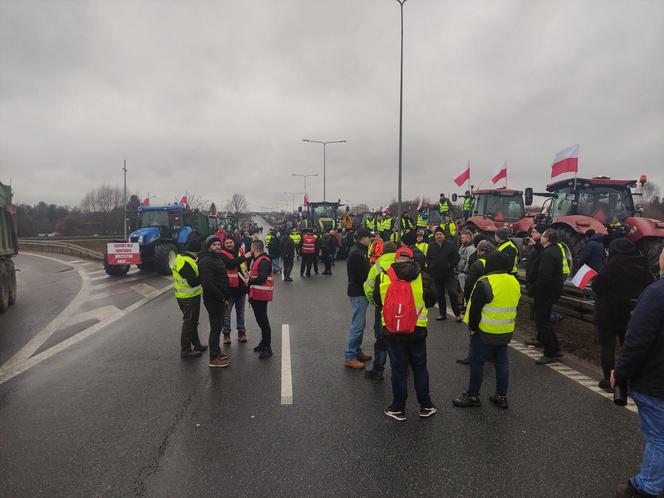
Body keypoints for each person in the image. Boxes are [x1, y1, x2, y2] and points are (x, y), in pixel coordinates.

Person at [612, 247, 664, 498]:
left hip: (656, 380)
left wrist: (620, 374)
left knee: (658, 437)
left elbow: (637, 340)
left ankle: (647, 487)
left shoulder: (657, 294)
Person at [374, 246, 437, 421]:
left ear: (395, 260)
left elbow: (377, 301)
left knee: (398, 370)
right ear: (412, 260)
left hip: (392, 331)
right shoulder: (423, 277)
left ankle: (398, 408)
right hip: (417, 330)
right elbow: (431, 301)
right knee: (420, 368)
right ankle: (426, 406)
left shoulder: (384, 276)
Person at [453, 252, 520, 409]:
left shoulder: (485, 282)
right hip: (505, 331)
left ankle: (473, 395)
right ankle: (501, 396)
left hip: (485, 332)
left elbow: (475, 310)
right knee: (502, 364)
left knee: (477, 363)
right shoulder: (514, 281)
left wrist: (473, 329)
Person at [592, 238, 654, 391]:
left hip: (609, 313)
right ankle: (632, 378)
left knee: (608, 348)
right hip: (633, 314)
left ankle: (610, 380)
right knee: (629, 348)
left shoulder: (614, 263)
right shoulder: (643, 264)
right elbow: (650, 286)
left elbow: (597, 286)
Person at [527, 229, 564, 364]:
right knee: (545, 322)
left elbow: (544, 277)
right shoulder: (553, 250)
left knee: (542, 322)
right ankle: (556, 349)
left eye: (542, 236)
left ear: (547, 238)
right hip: (550, 292)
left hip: (545, 293)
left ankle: (549, 353)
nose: (540, 237)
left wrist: (533, 289)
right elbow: (544, 252)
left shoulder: (548, 255)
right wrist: (536, 245)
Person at [456, 239, 495, 364]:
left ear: (479, 251)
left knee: (474, 329)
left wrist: (466, 300)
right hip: (493, 299)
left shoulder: (478, 264)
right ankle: (489, 354)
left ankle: (473, 356)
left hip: (477, 299)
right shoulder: (495, 262)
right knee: (488, 329)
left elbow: (469, 285)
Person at [363, 241, 397, 380]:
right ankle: (403, 366)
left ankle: (378, 370)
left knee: (381, 338)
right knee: (401, 337)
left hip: (382, 307)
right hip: (401, 306)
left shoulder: (377, 266)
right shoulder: (403, 263)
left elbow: (369, 288)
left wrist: (374, 302)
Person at [198, 235, 232, 368]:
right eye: (214, 245)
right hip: (213, 300)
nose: (217, 247)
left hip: (219, 298)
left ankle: (217, 351)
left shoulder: (216, 258)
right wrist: (222, 297)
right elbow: (208, 284)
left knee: (218, 327)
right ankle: (213, 358)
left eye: (219, 244)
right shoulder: (206, 261)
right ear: (208, 247)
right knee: (215, 329)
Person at [171, 236, 206, 359]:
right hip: (187, 297)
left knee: (193, 322)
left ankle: (196, 345)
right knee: (189, 323)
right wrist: (204, 273)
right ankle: (185, 350)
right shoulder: (185, 262)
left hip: (190, 295)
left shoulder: (183, 258)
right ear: (196, 251)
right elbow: (193, 282)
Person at [344, 228, 373, 369]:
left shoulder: (360, 251)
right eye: (368, 237)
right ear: (362, 238)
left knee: (360, 324)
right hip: (358, 292)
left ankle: (356, 351)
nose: (370, 240)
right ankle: (350, 356)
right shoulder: (357, 253)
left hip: (360, 291)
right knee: (357, 324)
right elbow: (358, 276)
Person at [243, 239, 274, 359]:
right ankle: (263, 343)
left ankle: (267, 347)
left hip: (261, 295)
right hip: (256, 295)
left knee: (263, 322)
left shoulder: (263, 260)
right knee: (261, 321)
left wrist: (249, 280)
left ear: (254, 249)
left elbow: (262, 277)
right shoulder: (257, 259)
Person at [426, 227, 462, 322]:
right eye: (437, 234)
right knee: (439, 295)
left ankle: (457, 314)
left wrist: (450, 265)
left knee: (453, 293)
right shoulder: (431, 246)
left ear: (443, 235)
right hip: (436, 275)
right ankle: (442, 314)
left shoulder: (450, 245)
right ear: (435, 236)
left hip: (448, 274)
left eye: (440, 234)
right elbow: (428, 258)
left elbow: (457, 257)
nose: (438, 236)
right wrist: (431, 267)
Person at [219, 237, 249, 344]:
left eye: (230, 242)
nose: (229, 244)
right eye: (226, 243)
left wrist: (247, 278)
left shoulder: (240, 251)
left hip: (241, 288)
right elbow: (230, 264)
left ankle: (241, 332)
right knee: (226, 314)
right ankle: (226, 334)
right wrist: (245, 256)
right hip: (228, 290)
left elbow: (245, 266)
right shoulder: (221, 254)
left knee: (240, 313)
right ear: (224, 244)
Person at [457, 230, 476, 305]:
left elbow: (469, 260)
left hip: (465, 273)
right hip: (460, 271)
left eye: (463, 238)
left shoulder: (471, 248)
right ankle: (463, 302)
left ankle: (466, 304)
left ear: (469, 238)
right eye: (461, 237)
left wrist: (465, 271)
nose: (462, 239)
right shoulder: (462, 246)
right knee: (462, 289)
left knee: (465, 289)